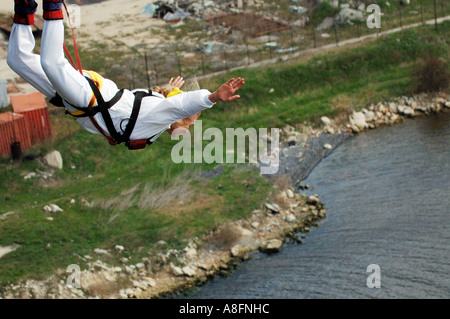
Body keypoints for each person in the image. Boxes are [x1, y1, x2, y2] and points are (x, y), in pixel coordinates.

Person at [7, 0, 245, 149]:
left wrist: (179, 109)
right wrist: (211, 97)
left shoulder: (157, 116)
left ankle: (25, 9)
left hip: (74, 102)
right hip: (90, 97)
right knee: (51, 62)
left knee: (17, 59)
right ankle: (53, 5)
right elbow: (180, 107)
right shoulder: (158, 115)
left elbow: (178, 118)